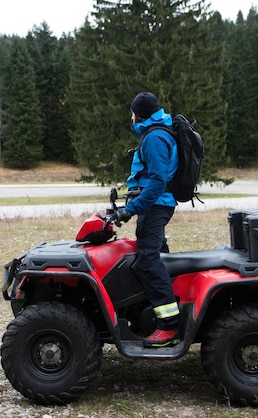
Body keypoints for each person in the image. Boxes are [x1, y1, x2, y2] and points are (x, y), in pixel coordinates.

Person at [115, 92, 180, 347]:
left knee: (148, 261)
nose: (130, 117)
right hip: (154, 206)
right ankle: (157, 309)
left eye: (132, 112)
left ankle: (168, 326)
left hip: (155, 206)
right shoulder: (156, 132)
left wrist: (132, 209)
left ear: (138, 114)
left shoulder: (154, 137)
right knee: (158, 256)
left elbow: (157, 181)